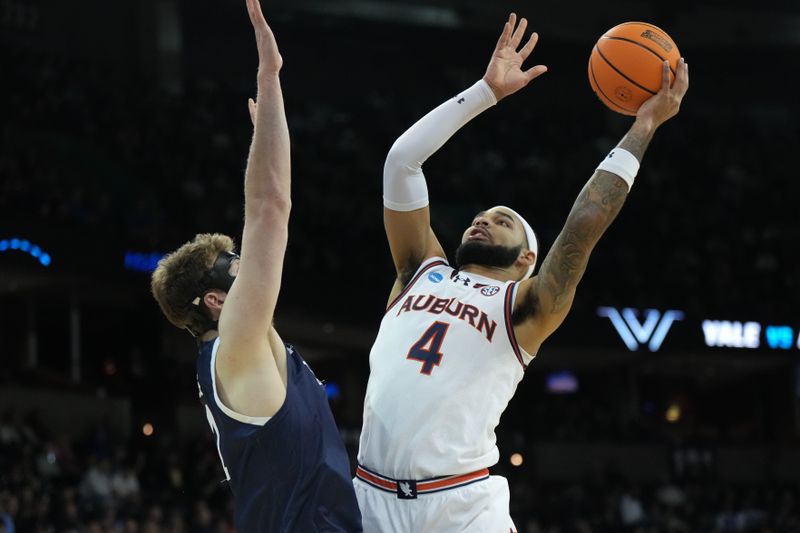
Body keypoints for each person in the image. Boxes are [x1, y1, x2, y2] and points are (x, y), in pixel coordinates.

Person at [355, 12, 689, 532]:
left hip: (461, 506)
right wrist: (485, 92)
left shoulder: (527, 307)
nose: (484, 218)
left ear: (527, 259)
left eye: (502, 220)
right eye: (480, 216)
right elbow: (401, 163)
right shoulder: (421, 271)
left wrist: (643, 126)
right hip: (368, 497)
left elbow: (583, 225)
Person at [150, 0, 362, 530]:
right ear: (217, 301)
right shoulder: (236, 344)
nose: (253, 267)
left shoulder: (250, 347)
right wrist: (270, 82)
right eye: (236, 266)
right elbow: (269, 208)